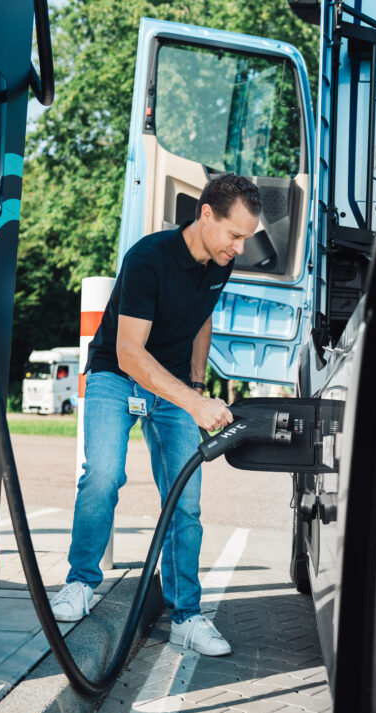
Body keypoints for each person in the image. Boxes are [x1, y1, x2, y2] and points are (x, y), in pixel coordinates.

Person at [50, 173, 261, 655]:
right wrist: (195, 403)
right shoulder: (149, 258)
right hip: (117, 374)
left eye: (246, 238)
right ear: (206, 215)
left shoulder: (221, 262)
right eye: (235, 234)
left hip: (174, 383)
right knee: (103, 475)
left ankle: (186, 616)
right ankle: (80, 583)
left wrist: (196, 385)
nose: (240, 248)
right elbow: (129, 353)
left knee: (184, 499)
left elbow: (203, 319)